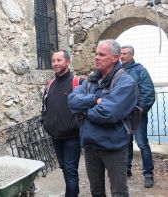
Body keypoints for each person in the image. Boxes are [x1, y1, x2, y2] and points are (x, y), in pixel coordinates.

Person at [68, 39, 138, 197]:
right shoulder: (91, 80)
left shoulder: (126, 82)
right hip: (90, 146)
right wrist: (94, 101)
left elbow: (108, 113)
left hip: (113, 146)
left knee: (119, 192)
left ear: (115, 57)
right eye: (96, 54)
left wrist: (84, 110)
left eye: (101, 54)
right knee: (96, 192)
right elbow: (72, 101)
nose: (96, 57)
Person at [41, 49, 83, 197]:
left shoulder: (78, 82)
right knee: (65, 168)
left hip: (72, 137)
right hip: (56, 136)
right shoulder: (50, 84)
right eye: (53, 61)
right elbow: (45, 107)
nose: (55, 63)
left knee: (70, 170)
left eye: (59, 60)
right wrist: (45, 122)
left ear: (68, 62)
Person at [120, 45, 156, 187]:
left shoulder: (140, 70)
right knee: (125, 143)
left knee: (142, 144)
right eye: (121, 53)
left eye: (125, 53)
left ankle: (148, 174)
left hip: (138, 116)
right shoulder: (118, 71)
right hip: (122, 116)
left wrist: (140, 111)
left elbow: (149, 93)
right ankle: (127, 169)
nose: (122, 56)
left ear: (132, 55)